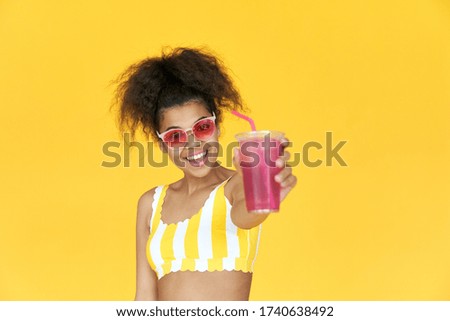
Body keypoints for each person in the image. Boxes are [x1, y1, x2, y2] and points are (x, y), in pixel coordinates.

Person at [112, 47, 297, 300]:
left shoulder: (236, 186)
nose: (193, 145)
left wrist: (265, 190)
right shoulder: (150, 204)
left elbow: (249, 213)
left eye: (202, 127)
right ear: (163, 145)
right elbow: (144, 297)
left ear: (217, 127)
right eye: (175, 136)